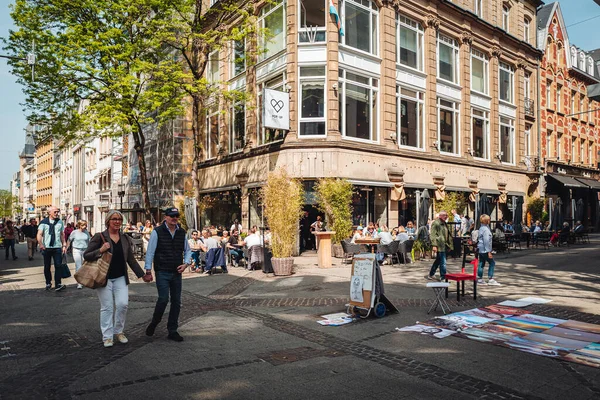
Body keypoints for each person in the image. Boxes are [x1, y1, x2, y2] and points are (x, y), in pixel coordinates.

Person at [84, 210, 146, 347]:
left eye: (119, 219)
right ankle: (107, 336)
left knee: (123, 304)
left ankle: (119, 331)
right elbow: (87, 255)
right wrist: (100, 250)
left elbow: (130, 259)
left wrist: (142, 274)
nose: (117, 221)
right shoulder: (99, 237)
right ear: (108, 221)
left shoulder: (124, 238)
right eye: (114, 219)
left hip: (120, 277)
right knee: (107, 307)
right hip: (103, 277)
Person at [144, 207, 191, 342]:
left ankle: (172, 330)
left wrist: (186, 264)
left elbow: (187, 250)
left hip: (176, 272)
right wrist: (148, 270)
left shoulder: (181, 232)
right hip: (162, 271)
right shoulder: (157, 232)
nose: (174, 218)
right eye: (171, 216)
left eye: (176, 216)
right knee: (163, 299)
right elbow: (150, 252)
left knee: (176, 302)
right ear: (166, 217)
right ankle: (155, 322)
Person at [37, 206, 67, 291]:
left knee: (58, 266)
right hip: (47, 248)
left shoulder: (60, 222)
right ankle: (48, 282)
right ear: (49, 212)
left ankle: (58, 284)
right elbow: (39, 234)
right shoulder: (44, 222)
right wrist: (41, 244)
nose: (57, 213)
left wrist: (64, 245)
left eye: (58, 212)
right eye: (55, 212)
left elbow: (61, 234)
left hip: (57, 247)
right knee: (47, 266)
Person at [425, 211, 453, 281]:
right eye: (444, 215)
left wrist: (450, 245)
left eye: (446, 215)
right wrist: (434, 245)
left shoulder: (444, 223)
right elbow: (433, 235)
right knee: (443, 262)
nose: (446, 216)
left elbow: (448, 235)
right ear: (440, 216)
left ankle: (431, 274)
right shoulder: (436, 223)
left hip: (444, 244)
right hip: (440, 245)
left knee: (438, 260)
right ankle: (443, 277)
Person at [476, 214, 500, 286]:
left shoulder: (481, 228)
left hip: (480, 249)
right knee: (492, 263)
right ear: (486, 221)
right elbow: (486, 241)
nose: (490, 220)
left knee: (481, 263)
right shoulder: (486, 230)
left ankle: (480, 278)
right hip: (485, 249)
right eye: (489, 219)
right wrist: (489, 251)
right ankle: (490, 278)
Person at [68, 220, 91, 289]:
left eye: (85, 225)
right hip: (76, 250)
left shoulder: (86, 232)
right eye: (83, 225)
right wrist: (65, 248)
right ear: (79, 225)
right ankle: (79, 282)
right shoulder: (74, 232)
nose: (85, 227)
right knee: (78, 266)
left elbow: (89, 241)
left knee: (85, 266)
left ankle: (84, 280)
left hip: (85, 250)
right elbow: (69, 240)